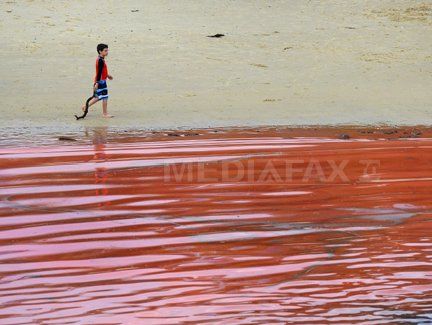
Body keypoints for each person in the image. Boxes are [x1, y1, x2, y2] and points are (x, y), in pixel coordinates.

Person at [81, 43, 114, 118]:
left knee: (98, 97)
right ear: (100, 51)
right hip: (101, 81)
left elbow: (102, 71)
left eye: (107, 50)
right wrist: (97, 83)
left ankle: (85, 106)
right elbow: (99, 72)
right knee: (105, 96)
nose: (107, 52)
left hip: (101, 80)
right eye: (105, 51)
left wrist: (107, 75)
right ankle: (105, 114)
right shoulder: (100, 61)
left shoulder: (100, 59)